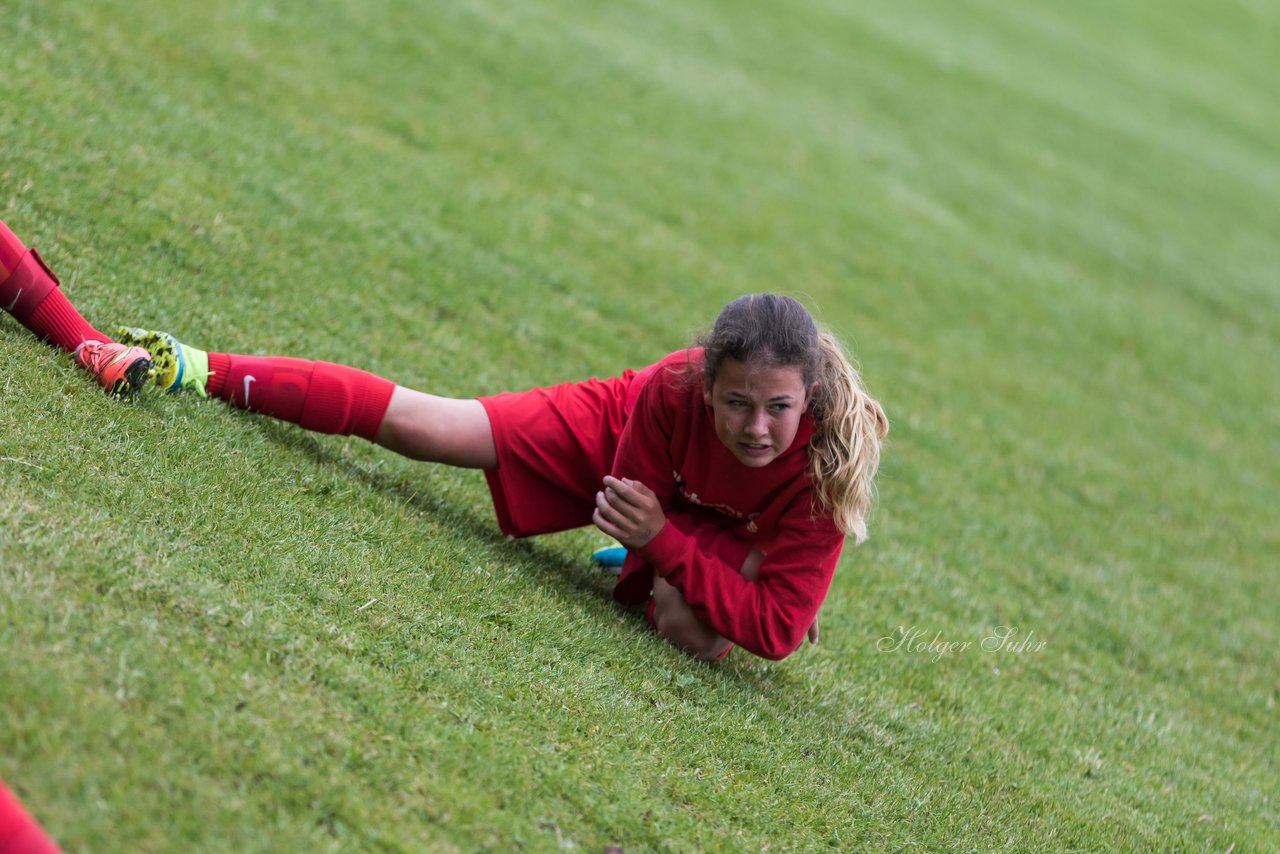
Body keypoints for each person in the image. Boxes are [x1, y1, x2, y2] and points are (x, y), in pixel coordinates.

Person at [0, 218, 888, 661]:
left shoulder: (825, 468)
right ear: (705, 380)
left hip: (675, 523)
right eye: (737, 404)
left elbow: (777, 632)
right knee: (423, 424)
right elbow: (628, 503)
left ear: (807, 395)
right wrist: (654, 545)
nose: (757, 427)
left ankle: (679, 565)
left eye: (777, 408)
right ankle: (197, 364)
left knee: (688, 628)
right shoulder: (665, 388)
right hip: (614, 444)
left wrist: (665, 550)